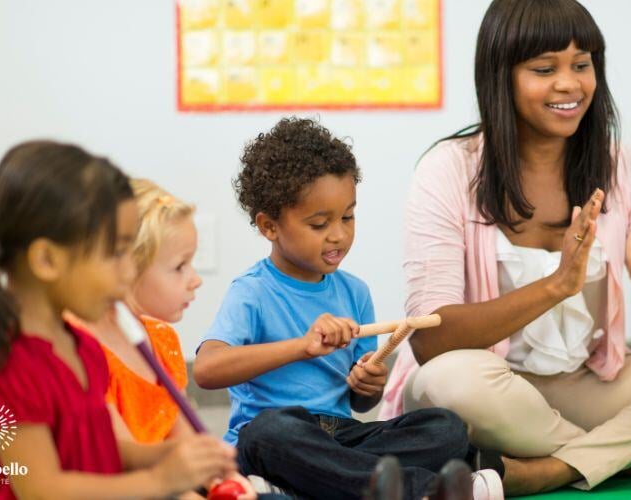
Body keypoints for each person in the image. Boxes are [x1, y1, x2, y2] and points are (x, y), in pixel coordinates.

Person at [379, 0, 631, 495]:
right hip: (488, 389)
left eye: (582, 65)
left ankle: (549, 469)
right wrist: (555, 286)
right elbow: (430, 341)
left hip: (584, 387)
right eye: (544, 69)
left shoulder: (624, 167)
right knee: (449, 381)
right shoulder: (449, 170)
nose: (569, 84)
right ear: (499, 76)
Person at [193, 118, 503, 500]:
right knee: (268, 433)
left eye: (347, 217)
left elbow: (361, 402)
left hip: (340, 437)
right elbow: (207, 370)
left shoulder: (355, 292)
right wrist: (301, 346)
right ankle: (420, 490)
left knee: (446, 429)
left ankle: (313, 484)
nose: (338, 234)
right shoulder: (252, 291)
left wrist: (367, 385)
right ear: (269, 226)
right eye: (319, 223)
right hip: (276, 437)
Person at [0, 141, 237, 499]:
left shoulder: (82, 348)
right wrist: (160, 481)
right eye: (116, 254)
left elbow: (105, 451)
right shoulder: (8, 365)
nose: (130, 270)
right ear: (48, 260)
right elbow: (42, 489)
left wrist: (173, 455)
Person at [72, 179, 256, 498]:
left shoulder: (161, 340)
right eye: (179, 267)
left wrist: (220, 479)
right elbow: (121, 463)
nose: (195, 280)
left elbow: (182, 437)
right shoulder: (83, 351)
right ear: (126, 270)